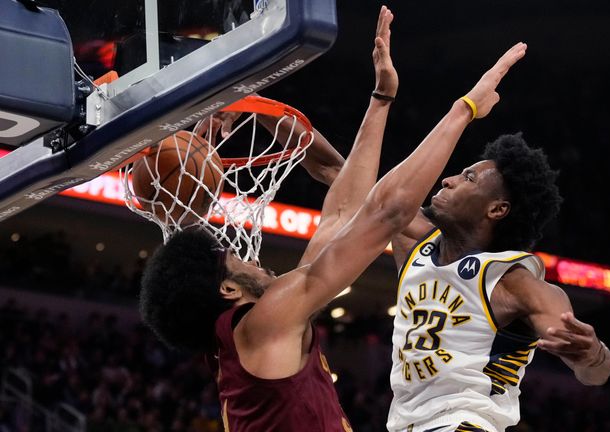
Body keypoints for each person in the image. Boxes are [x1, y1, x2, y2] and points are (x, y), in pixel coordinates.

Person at [140, 2, 526, 428]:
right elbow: (387, 211)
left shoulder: (251, 335)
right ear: (230, 291)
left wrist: (381, 98)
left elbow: (341, 212)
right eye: (238, 261)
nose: (253, 258)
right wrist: (464, 108)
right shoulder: (264, 323)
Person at [387, 131, 610, 429]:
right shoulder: (413, 242)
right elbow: (343, 177)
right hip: (407, 422)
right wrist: (305, 133)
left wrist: (593, 354)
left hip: (466, 422)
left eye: (468, 178)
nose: (448, 180)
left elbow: (594, 374)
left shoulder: (515, 283)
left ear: (496, 209)